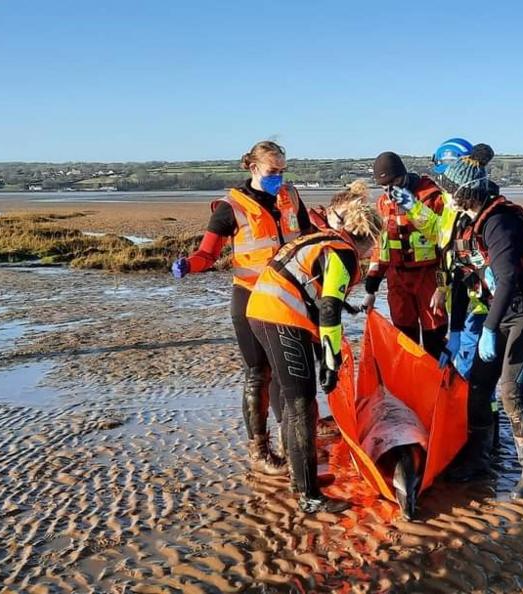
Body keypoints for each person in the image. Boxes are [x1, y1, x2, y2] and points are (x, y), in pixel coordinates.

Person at [391, 143, 523, 498]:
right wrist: (453, 332)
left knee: (511, 393)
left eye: (449, 190)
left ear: (463, 192)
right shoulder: (465, 223)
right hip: (494, 312)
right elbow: (465, 280)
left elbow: (507, 278)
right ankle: (478, 459)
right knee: (478, 387)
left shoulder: (499, 221)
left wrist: (490, 330)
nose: (445, 196)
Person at [171, 141, 314, 476]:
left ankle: (290, 440)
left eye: (282, 171)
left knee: (288, 372)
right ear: (253, 168)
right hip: (250, 299)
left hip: (288, 299)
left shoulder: (291, 197)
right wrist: (188, 265)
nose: (278, 177)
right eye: (272, 171)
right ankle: (260, 452)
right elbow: (208, 254)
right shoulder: (230, 207)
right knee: (258, 374)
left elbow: (307, 236)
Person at [246, 197, 383, 514]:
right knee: (302, 406)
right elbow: (329, 308)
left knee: (298, 402)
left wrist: (330, 338)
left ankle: (301, 480)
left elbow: (317, 289)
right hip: (280, 318)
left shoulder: (324, 239)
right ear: (369, 240)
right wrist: (331, 360)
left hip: (263, 311)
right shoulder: (345, 254)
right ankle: (309, 496)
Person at [364, 152, 448, 357]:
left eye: (395, 183)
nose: (391, 190)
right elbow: (381, 246)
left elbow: (446, 240)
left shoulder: (432, 197)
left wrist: (444, 286)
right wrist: (371, 287)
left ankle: (441, 384)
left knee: (434, 336)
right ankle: (412, 385)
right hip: (397, 278)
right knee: (404, 339)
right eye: (385, 186)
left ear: (404, 175)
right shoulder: (383, 203)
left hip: (428, 275)